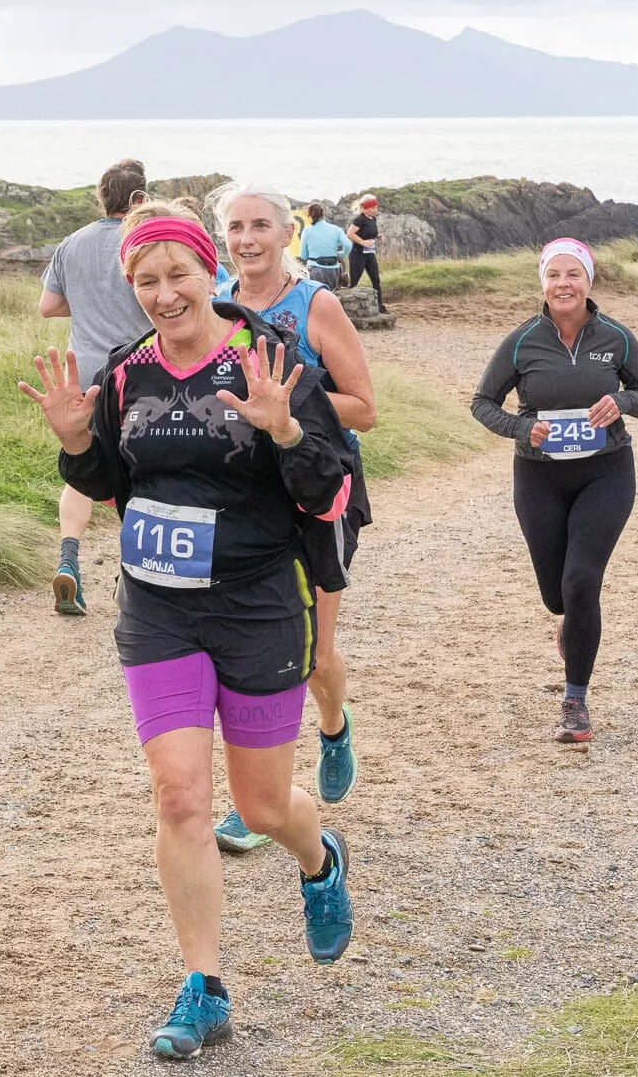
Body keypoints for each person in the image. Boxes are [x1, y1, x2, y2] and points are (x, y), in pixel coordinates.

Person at [20, 201, 357, 1060]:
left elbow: (325, 493)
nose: (164, 294)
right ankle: (204, 987)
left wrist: (284, 427)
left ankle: (319, 861)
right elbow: (110, 480)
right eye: (145, 280)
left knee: (261, 804)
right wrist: (73, 443)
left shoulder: (268, 360)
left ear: (209, 271)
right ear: (128, 286)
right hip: (160, 608)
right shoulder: (128, 374)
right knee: (179, 796)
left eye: (178, 275)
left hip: (256, 606)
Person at [200, 182, 377, 855]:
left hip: (320, 489)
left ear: (285, 235)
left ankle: (332, 724)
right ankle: (259, 802)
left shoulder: (315, 304)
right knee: (251, 655)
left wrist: (287, 409)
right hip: (245, 498)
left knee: (313, 656)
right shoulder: (210, 305)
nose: (247, 239)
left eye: (260, 226)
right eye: (235, 227)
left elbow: (363, 406)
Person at [471, 239, 638, 743]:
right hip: (539, 477)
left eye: (573, 274)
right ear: (542, 282)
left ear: (588, 281)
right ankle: (570, 626)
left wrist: (622, 402)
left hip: (606, 472)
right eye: (554, 275)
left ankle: (575, 701)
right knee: (558, 597)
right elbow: (482, 402)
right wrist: (518, 428)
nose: (564, 284)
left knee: (581, 583)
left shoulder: (616, 337)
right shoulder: (521, 342)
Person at [39, 158, 155, 615]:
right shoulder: (141, 240)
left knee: (84, 466)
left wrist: (88, 306)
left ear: (100, 196)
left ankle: (69, 559)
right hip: (139, 372)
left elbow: (48, 306)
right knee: (144, 468)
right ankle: (135, 575)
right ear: (140, 199)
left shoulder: (72, 243)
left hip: (83, 375)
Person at [298, 202, 352, 291]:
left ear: (310, 216)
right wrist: (341, 254)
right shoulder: (336, 229)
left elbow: (303, 255)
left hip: (315, 271)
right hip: (334, 272)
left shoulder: (307, 231)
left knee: (315, 299)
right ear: (323, 214)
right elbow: (348, 245)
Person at [345, 195, 384, 309]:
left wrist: (378, 236)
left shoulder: (373, 219)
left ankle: (380, 306)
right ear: (365, 208)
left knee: (376, 279)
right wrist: (363, 242)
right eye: (372, 208)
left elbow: (371, 232)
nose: (375, 210)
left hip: (370, 253)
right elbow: (350, 234)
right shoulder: (359, 219)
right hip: (358, 254)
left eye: (376, 208)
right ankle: (347, 306)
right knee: (354, 281)